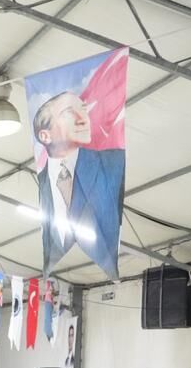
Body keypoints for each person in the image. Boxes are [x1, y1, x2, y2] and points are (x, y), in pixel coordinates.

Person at [35, 90, 125, 273]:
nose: (83, 119)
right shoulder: (41, 182)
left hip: (105, 268)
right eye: (69, 112)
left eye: (84, 109)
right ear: (45, 136)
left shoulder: (114, 164)